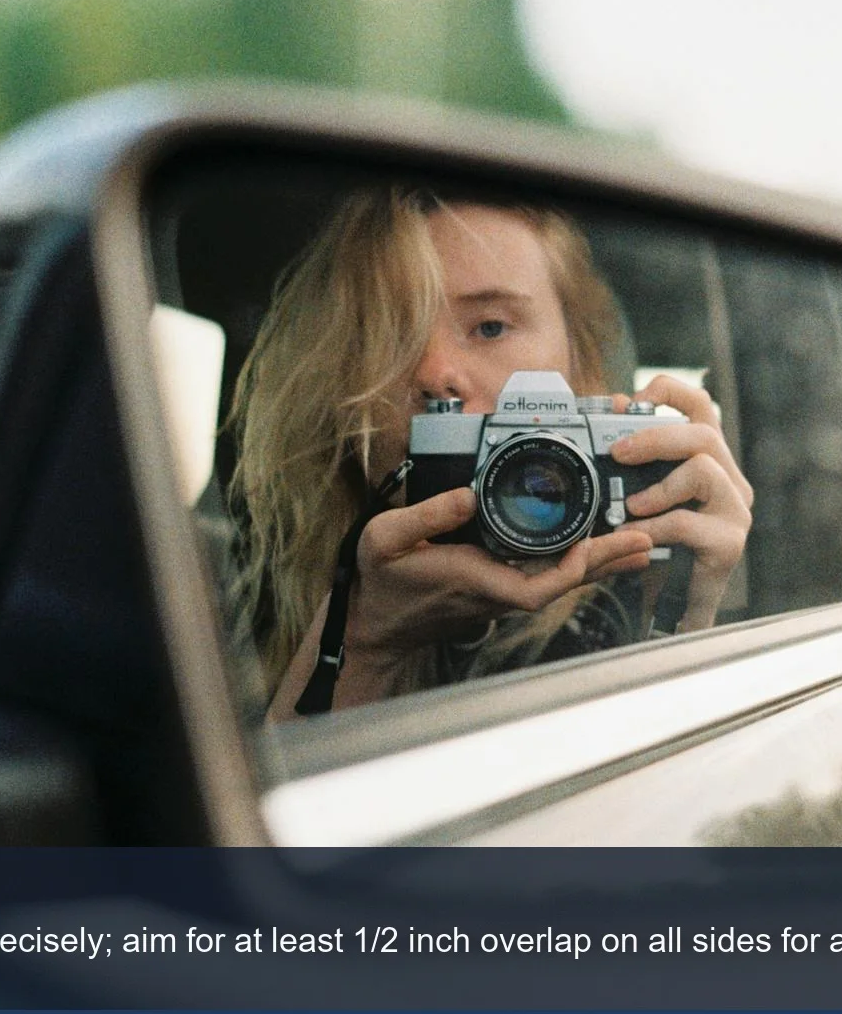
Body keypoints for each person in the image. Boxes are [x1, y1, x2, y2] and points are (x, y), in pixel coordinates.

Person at [222, 187, 752, 720]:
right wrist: (361, 639)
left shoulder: (631, 570)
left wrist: (689, 609)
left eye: (491, 326)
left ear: (580, 359)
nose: (434, 374)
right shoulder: (227, 603)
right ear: (332, 378)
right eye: (389, 334)